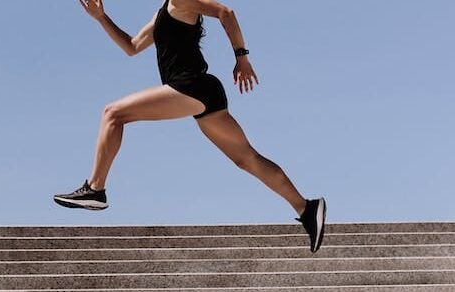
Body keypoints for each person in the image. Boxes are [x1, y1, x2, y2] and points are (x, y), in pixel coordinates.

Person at [54, 0, 327, 252]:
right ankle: (306, 208)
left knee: (112, 113)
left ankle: (95, 189)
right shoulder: (165, 11)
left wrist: (241, 58)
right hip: (204, 93)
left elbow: (225, 13)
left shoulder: (181, 0)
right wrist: (101, 18)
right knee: (247, 159)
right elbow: (132, 46)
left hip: (191, 86)